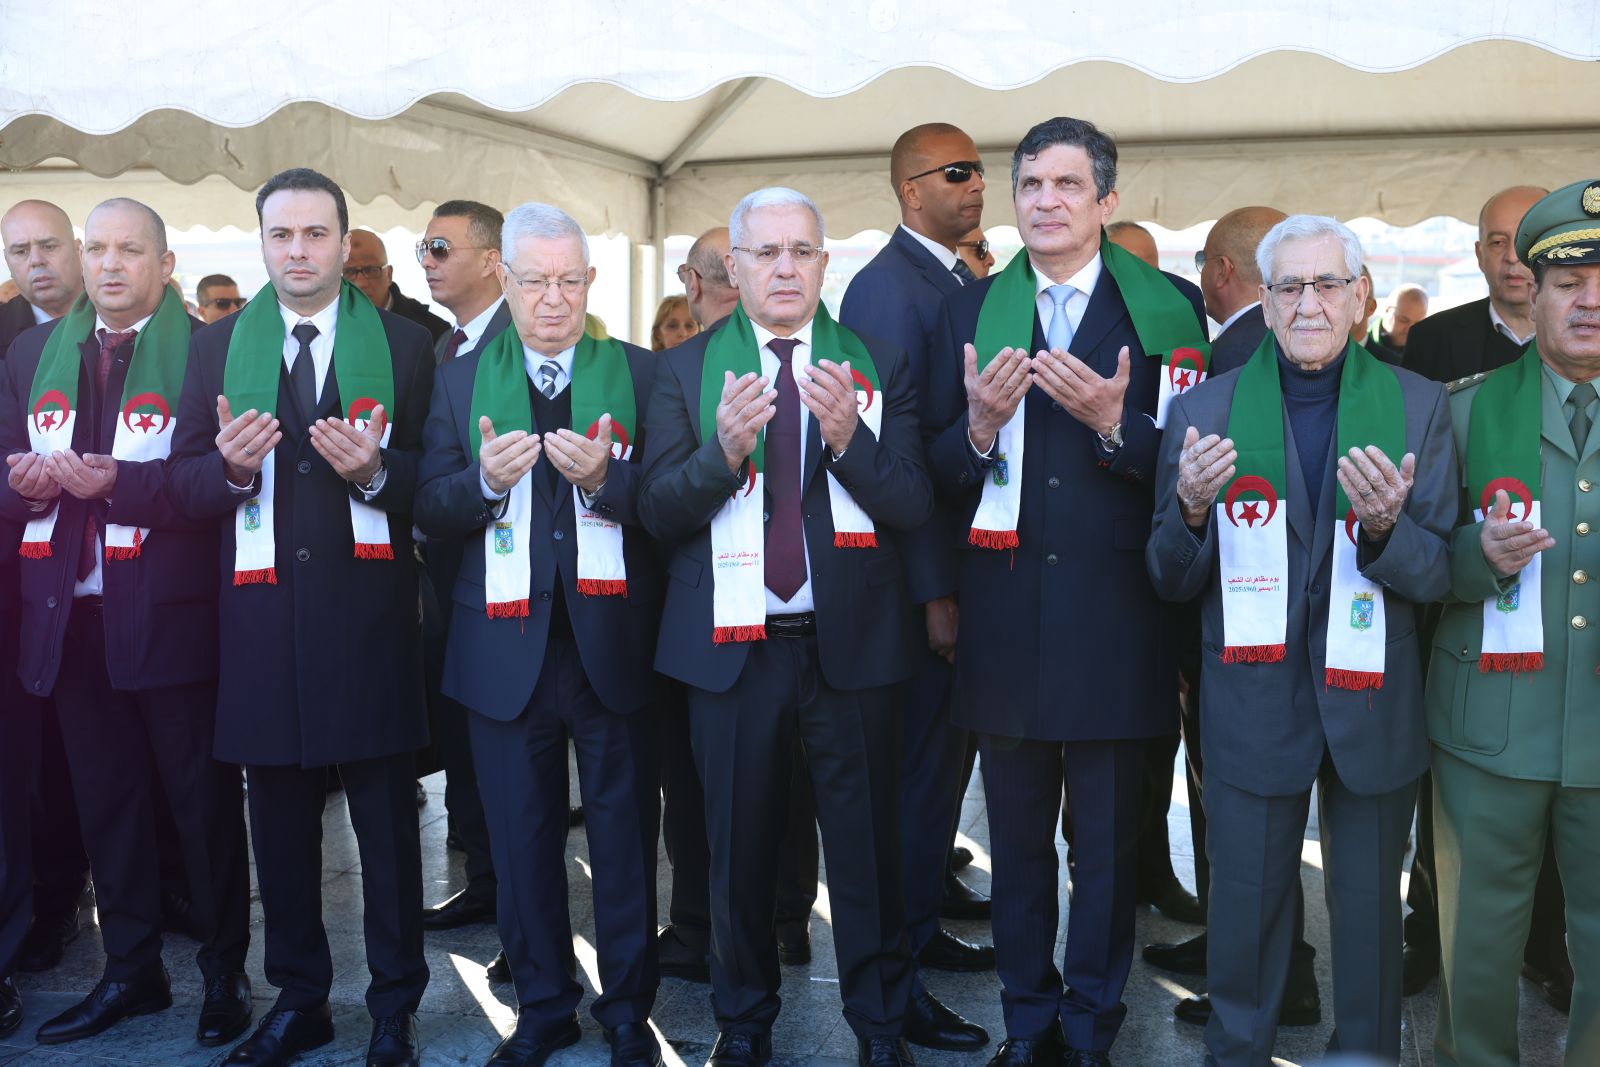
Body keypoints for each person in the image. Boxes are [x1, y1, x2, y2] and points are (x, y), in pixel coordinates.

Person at [925, 116, 1207, 1067]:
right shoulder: (970, 310)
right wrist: (976, 427)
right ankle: (1027, 1021)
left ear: (1106, 201)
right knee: (1015, 847)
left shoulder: (1168, 309)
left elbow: (1199, 470)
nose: (1045, 201)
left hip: (1117, 619)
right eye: (1031, 185)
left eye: (1067, 184)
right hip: (1003, 617)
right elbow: (931, 473)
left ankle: (1090, 1027)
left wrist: (1116, 425)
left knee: (1108, 852)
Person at [1147, 214, 1455, 1067]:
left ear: (1360, 297)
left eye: (1327, 283)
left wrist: (1388, 530)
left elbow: (1439, 573)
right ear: (1266, 299)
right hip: (1252, 703)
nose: (1308, 302)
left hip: (1372, 704)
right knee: (1243, 914)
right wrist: (1190, 512)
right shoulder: (1204, 409)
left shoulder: (1419, 407)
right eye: (1289, 285)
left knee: (1369, 915)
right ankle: (1236, 1052)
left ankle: (1364, 1054)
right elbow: (1167, 576)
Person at [640, 186, 931, 1067]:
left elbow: (913, 502)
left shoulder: (875, 362)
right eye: (765, 252)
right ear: (734, 267)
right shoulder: (684, 371)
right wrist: (722, 454)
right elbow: (656, 511)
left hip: (850, 645)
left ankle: (880, 1027)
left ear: (824, 263)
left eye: (801, 251)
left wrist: (850, 440)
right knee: (735, 851)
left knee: (866, 851)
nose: (784, 268)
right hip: (734, 650)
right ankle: (743, 1022)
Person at [166, 167, 433, 1067]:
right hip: (262, 626)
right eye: (281, 235)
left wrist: (378, 471)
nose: (298, 250)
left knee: (387, 831)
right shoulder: (214, 348)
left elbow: (439, 481)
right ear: (262, 244)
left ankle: (395, 1005)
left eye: (316, 233)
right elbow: (181, 483)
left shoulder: (405, 345)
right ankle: (300, 998)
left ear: (344, 242)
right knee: (278, 830)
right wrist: (230, 470)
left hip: (369, 624)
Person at [0, 197, 253, 1048]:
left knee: (199, 805)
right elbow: (2, 474)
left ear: (166, 264)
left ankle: (224, 971)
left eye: (130, 250)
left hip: (171, 616)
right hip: (70, 616)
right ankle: (131, 970)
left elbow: (220, 482)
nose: (110, 265)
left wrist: (121, 483)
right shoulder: (33, 352)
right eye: (99, 249)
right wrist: (21, 486)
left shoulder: (209, 351)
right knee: (107, 805)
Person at [416, 201, 664, 1067]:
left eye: (568, 281)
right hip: (502, 648)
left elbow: (675, 505)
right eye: (534, 281)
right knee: (521, 845)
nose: (552, 299)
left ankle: (628, 1012)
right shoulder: (457, 380)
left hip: (611, 645)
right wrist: (483, 483)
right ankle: (544, 1006)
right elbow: (427, 507)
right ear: (505, 280)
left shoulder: (639, 371)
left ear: (591, 282)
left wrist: (611, 481)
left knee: (623, 843)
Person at [1426, 179, 1600, 1067]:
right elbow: (1409, 562)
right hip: (1489, 723)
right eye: (1570, 282)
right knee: (1476, 944)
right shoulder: (1461, 410)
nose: (1591, 301)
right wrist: (1476, 555)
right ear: (1532, 289)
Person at [1144, 204, 1321, 1028]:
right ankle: (1239, 950)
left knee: (1246, 817)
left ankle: (1269, 973)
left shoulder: (1229, 363)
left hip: (1240, 639)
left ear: (1220, 271)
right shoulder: (1303, 357)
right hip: (1287, 632)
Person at [839, 120, 993, 1055]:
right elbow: (891, 453)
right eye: (957, 171)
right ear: (910, 189)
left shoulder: (955, 278)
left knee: (939, 780)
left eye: (980, 170)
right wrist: (935, 587)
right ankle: (896, 980)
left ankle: (921, 926)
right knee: (915, 783)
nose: (978, 185)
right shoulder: (887, 288)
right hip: (915, 581)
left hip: (967, 563)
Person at [0, 198, 93, 990]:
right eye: (19, 250)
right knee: (34, 763)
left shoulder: (137, 331)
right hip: (21, 580)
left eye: (49, 245)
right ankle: (51, 899)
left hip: (124, 578)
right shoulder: (10, 342)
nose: (36, 262)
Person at [414, 200, 509, 941]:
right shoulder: (443, 345)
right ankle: (486, 883)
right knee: (465, 745)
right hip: (447, 580)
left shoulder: (519, 341)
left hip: (504, 585)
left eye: (441, 248)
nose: (427, 261)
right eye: (424, 247)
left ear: (491, 260)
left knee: (504, 755)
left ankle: (517, 910)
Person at [1404, 186, 1547, 382]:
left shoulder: (1585, 334)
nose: (1512, 256)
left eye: (1527, 241)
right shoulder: (1430, 338)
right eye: (1498, 242)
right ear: (1480, 255)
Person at [345, 228, 451, 342]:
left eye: (371, 270)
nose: (360, 283)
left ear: (389, 274)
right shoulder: (331, 324)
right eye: (348, 272)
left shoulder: (432, 332)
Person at [1365, 284, 1428, 363]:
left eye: (1418, 324)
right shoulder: (1362, 345)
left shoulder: (1427, 353)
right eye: (1403, 320)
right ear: (1387, 310)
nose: (1410, 329)